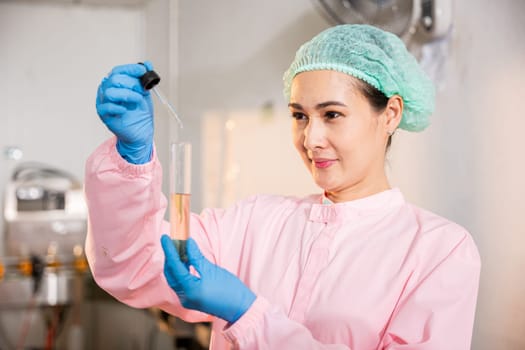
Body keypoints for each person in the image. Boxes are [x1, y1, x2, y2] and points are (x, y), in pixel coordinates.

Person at [86, 24, 480, 349]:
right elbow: (135, 265)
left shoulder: (438, 252)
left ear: (390, 114)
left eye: (332, 114)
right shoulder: (255, 221)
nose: (311, 139)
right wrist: (131, 160)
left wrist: (249, 316)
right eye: (300, 116)